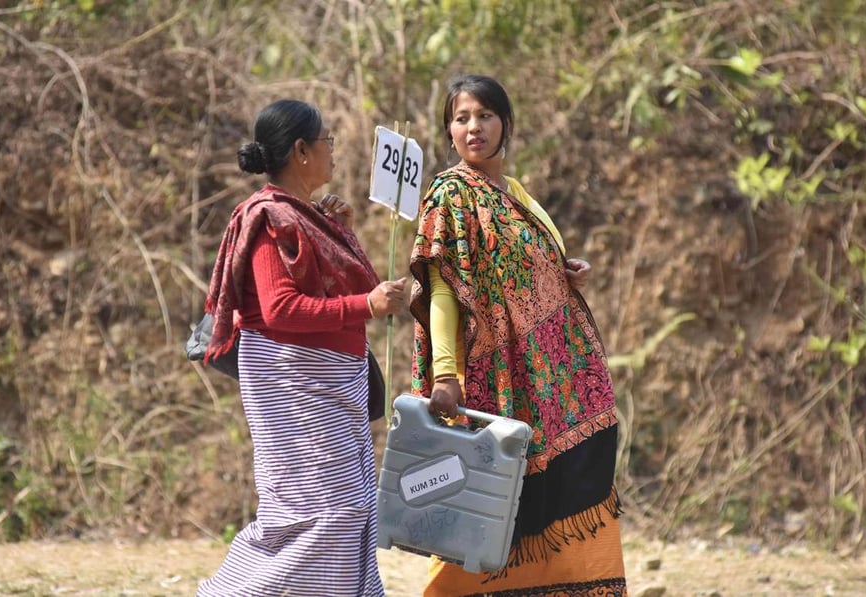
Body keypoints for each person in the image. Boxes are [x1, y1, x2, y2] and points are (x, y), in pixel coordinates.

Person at [408, 74, 628, 596]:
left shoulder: (516, 194)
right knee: (483, 500)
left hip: (553, 384)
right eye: (461, 118)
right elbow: (443, 289)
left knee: (573, 483)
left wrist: (562, 269)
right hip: (492, 379)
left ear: (506, 123)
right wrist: (445, 374)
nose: (473, 127)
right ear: (449, 131)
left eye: (484, 115)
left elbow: (525, 264)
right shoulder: (450, 195)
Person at [196, 99, 406, 597]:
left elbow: (338, 289)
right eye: (327, 141)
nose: (333, 151)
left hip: (333, 387)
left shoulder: (306, 216)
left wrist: (344, 232)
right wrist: (368, 307)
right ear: (301, 151)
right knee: (315, 514)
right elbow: (281, 310)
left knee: (352, 508)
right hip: (296, 387)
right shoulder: (272, 219)